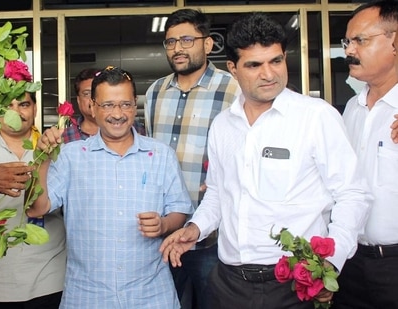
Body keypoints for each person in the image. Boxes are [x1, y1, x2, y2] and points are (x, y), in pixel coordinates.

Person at [159, 12, 371, 309]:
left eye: (276, 61)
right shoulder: (223, 125)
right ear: (233, 68)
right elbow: (218, 194)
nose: (269, 74)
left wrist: (329, 264)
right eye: (254, 65)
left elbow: (353, 194)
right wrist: (195, 229)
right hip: (228, 283)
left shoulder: (316, 117)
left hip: (293, 284)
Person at [26, 66, 194, 308]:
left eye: (125, 104)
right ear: (93, 107)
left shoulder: (160, 155)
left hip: (151, 294)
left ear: (135, 104)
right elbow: (35, 209)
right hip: (87, 295)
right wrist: (42, 159)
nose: (118, 113)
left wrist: (164, 224)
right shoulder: (71, 156)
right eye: (107, 105)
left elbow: (180, 210)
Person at [144, 8, 241, 309]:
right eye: (171, 42)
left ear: (208, 43)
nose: (178, 49)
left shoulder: (233, 89)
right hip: (164, 232)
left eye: (186, 39)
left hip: (212, 233)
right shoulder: (155, 92)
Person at [0, 91, 66, 308]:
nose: (16, 112)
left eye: (24, 105)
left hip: (51, 277)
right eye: (8, 106)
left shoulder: (55, 151)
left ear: (35, 109)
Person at [332, 1, 398, 308]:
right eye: (348, 41)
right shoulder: (350, 110)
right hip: (352, 263)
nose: (349, 50)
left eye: (361, 40)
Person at [61, 67, 146, 143]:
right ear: (78, 100)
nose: (117, 115)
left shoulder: (137, 129)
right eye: (87, 93)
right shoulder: (64, 137)